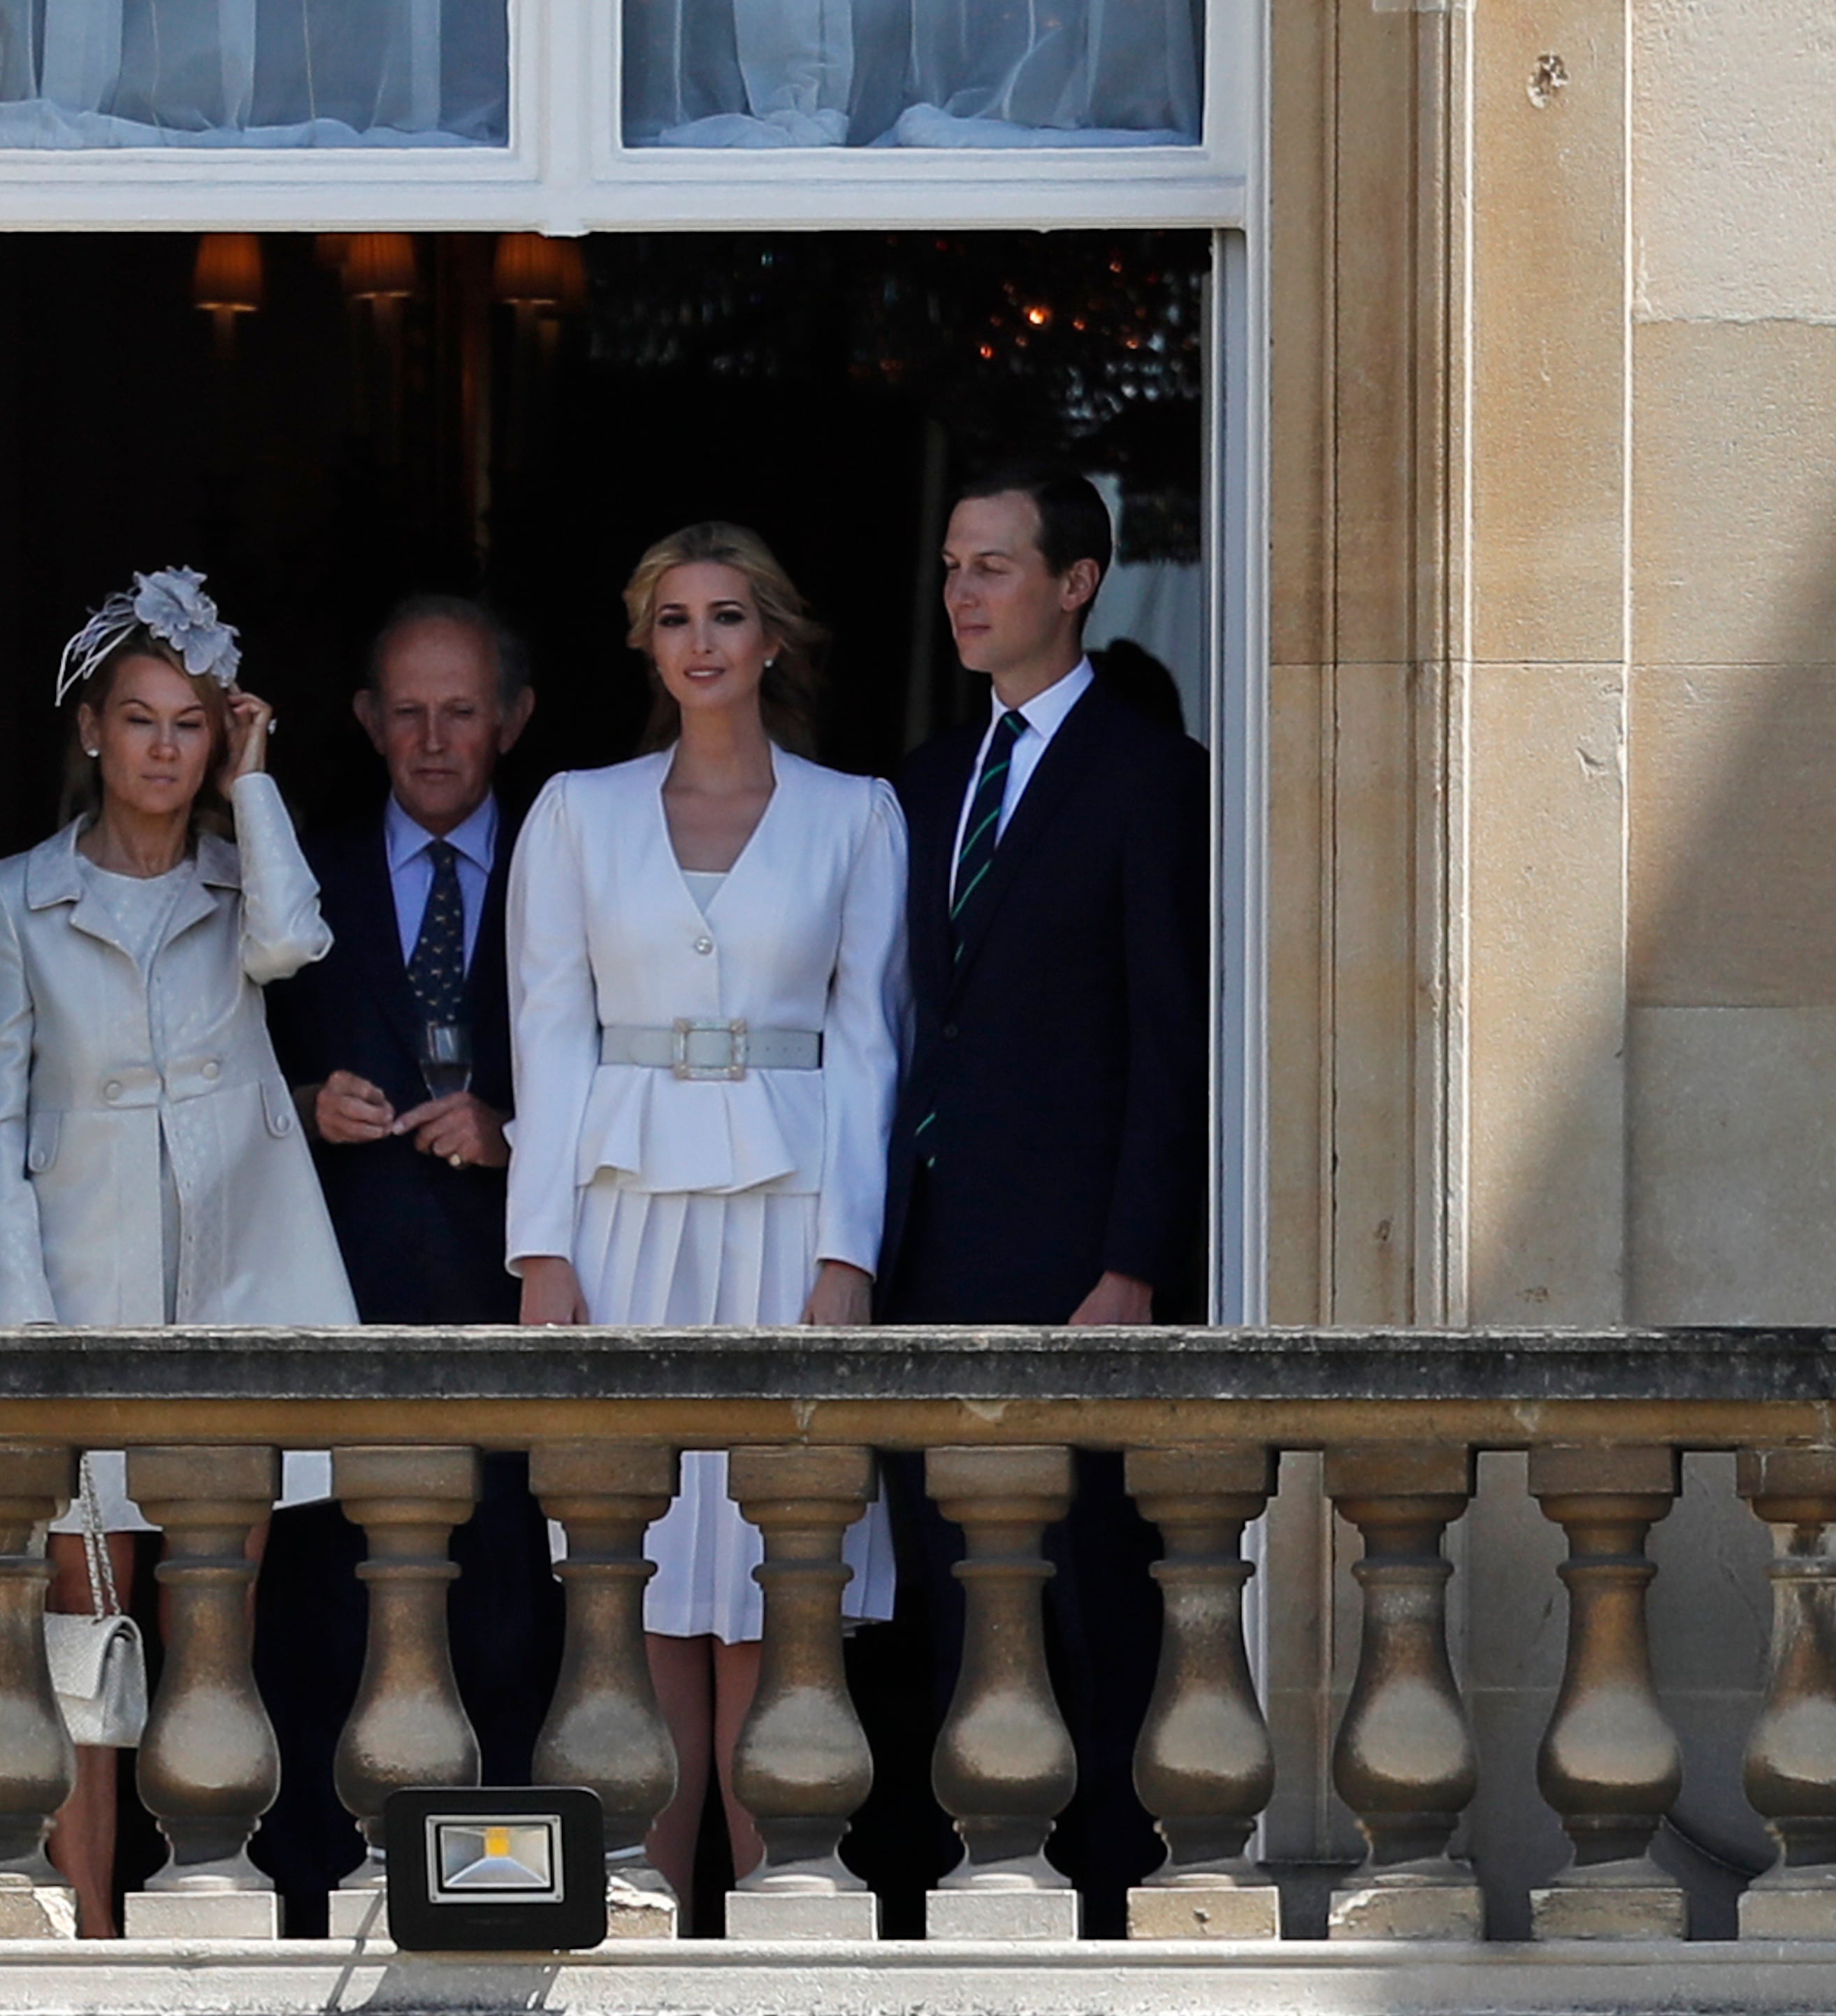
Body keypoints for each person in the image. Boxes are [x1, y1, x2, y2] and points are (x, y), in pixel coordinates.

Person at [506, 521, 904, 1925]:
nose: (701, 641)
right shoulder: (574, 809)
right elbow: (547, 1034)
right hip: (621, 1219)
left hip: (790, 1216)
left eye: (727, 615)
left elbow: (870, 1048)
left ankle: (784, 1914)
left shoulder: (859, 813)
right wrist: (540, 1249)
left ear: (772, 639)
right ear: (647, 642)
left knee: (775, 1579)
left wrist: (850, 1257)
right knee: (642, 1581)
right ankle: (645, 1917)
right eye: (673, 616)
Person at [0, 565, 356, 1936]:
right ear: (91, 732)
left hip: (234, 1293)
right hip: (85, 1297)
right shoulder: (14, 899)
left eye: (193, 722)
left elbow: (298, 940)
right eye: (141, 719)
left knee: (209, 1628)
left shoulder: (249, 880)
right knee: (86, 1642)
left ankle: (206, 1906)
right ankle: (86, 1933)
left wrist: (259, 778)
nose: (165, 746)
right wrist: (27, 1339)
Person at [876, 457, 1208, 1933]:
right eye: (953, 565)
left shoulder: (1154, 773)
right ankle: (963, 1864)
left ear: (1076, 583)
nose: (963, 592)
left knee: (1090, 1584)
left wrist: (1134, 1257)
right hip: (928, 1246)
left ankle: (1115, 1884)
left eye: (993, 566)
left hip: (1078, 1258)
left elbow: (1172, 1038)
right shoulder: (928, 779)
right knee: (949, 1582)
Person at [258, 597, 563, 1913]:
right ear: (370, 723)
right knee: (333, 1620)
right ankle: (322, 1895)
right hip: (343, 1304)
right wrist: (304, 1101)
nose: (434, 740)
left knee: (515, 1617)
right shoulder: (298, 878)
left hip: (517, 1302)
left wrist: (520, 1129)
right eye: (409, 712)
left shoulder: (578, 868)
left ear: (513, 719)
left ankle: (502, 1891)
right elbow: (227, 1072)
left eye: (462, 710)